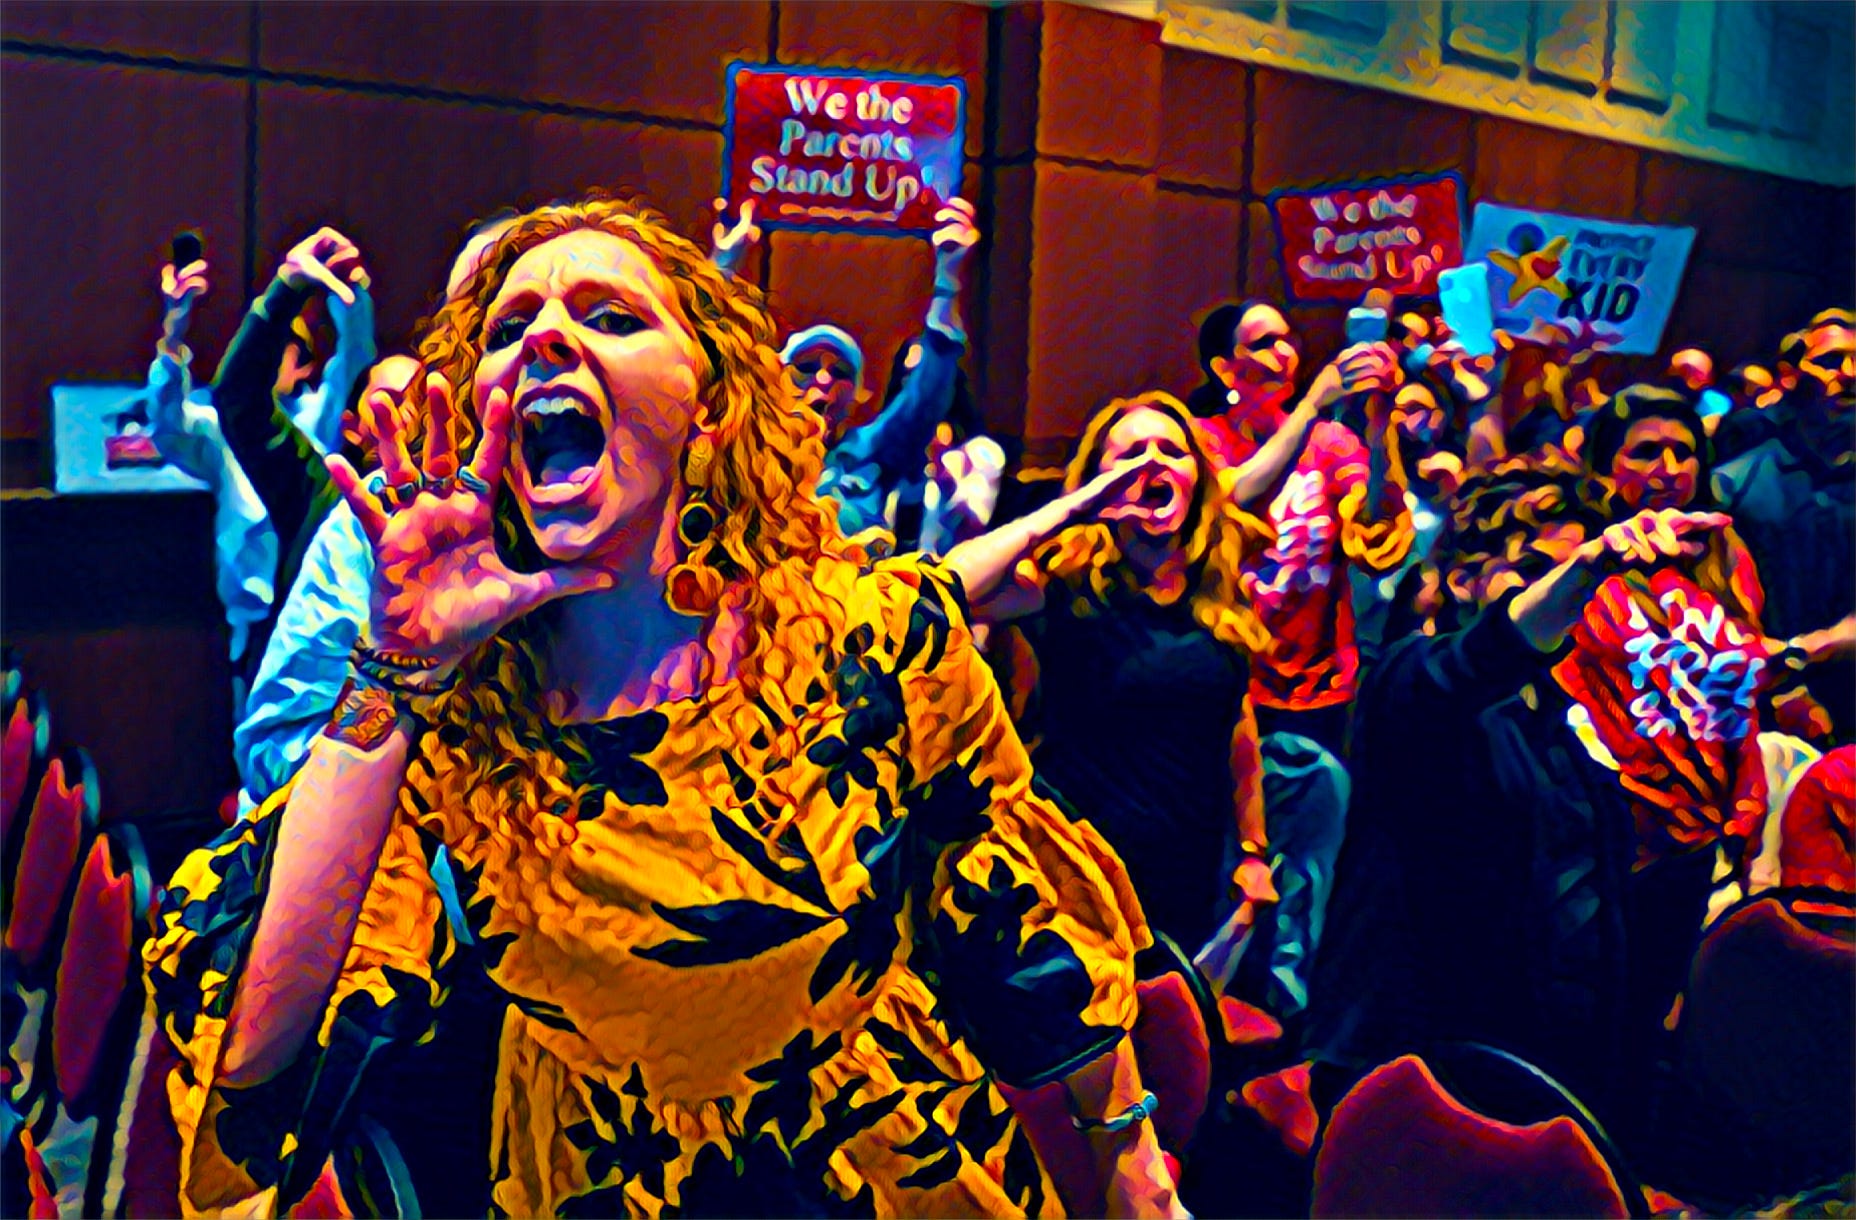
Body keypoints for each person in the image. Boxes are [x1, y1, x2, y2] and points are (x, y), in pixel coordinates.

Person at [144, 195, 1185, 1219]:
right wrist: (396, 669)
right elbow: (254, 1056)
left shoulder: (871, 632)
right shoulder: (464, 716)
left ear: (710, 401)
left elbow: (1018, 922)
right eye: (508, 329)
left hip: (883, 1154)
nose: (544, 337)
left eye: (609, 315)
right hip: (597, 1178)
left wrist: (1135, 1172)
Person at [1304, 456, 1767, 1154]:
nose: (1565, 594)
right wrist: (1588, 566)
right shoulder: (1408, 683)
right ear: (1461, 579)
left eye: (1581, 583)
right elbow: (1478, 659)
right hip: (1417, 1072)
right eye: (1533, 570)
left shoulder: (1569, 723)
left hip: (1536, 1069)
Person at [143, 240, 376, 697]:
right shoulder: (219, 425)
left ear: (303, 363)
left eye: (282, 349)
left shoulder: (319, 419)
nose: (268, 360)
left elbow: (353, 358)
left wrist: (353, 297)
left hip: (331, 606)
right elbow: (169, 424)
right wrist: (173, 333)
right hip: (257, 620)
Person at [1191, 300, 1411, 757]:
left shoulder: (1330, 443)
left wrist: (1379, 425)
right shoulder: (1203, 438)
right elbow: (1227, 497)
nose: (1284, 352)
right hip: (1231, 673)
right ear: (1225, 369)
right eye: (1264, 343)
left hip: (1320, 682)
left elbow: (1375, 533)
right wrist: (1311, 404)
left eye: (1288, 340)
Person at [712, 197, 982, 546]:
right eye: (805, 368)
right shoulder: (749, 445)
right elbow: (705, 376)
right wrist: (721, 269)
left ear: (855, 397)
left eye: (840, 372)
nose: (823, 380)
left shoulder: (868, 452)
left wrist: (947, 279)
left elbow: (924, 401)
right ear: (776, 380)